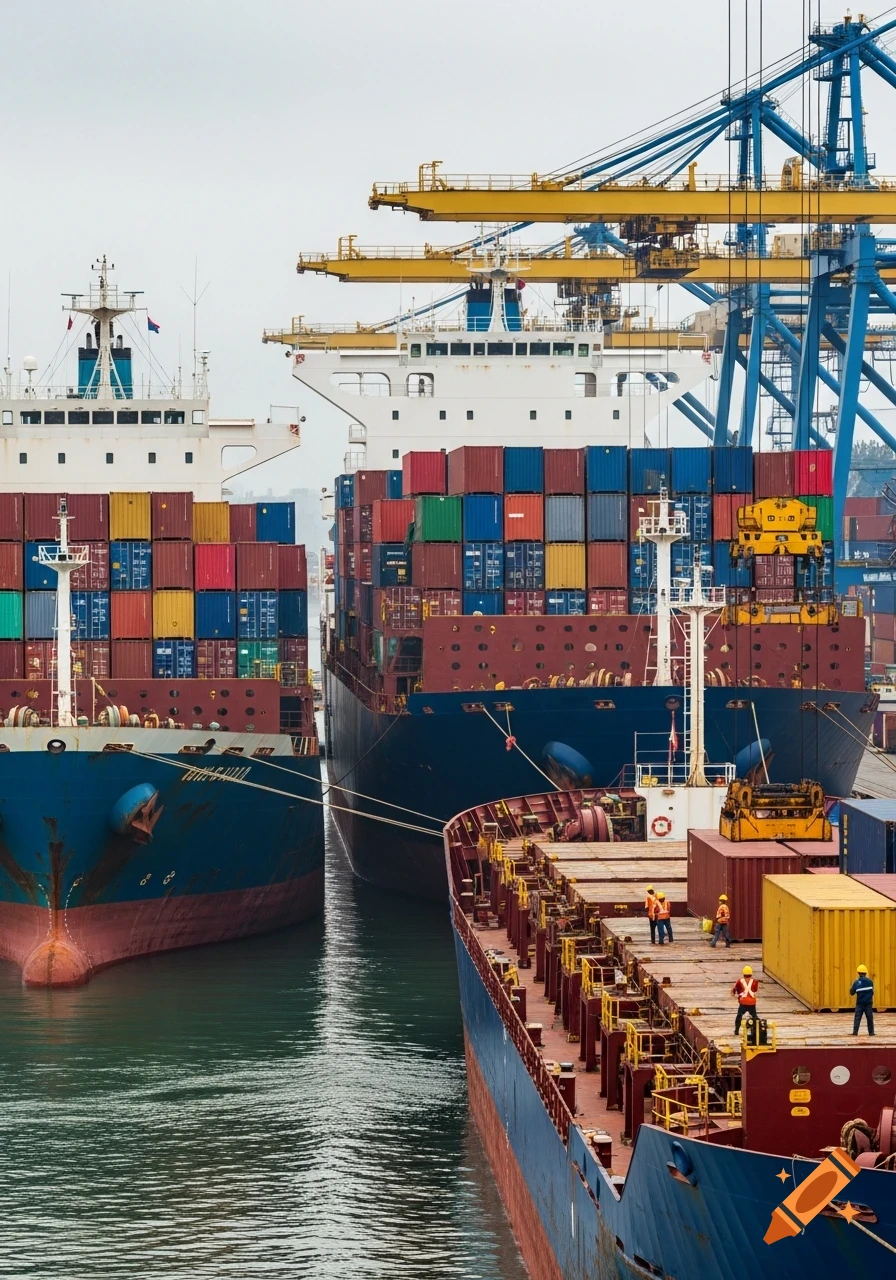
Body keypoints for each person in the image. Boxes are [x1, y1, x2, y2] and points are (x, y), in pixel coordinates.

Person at [732, 965, 759, 1035]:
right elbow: (755, 990)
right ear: (751, 974)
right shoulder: (755, 981)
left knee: (739, 1016)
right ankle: (756, 1030)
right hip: (752, 1003)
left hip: (743, 1003)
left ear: (743, 974)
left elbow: (734, 990)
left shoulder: (739, 981)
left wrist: (736, 994)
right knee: (755, 1017)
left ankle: (736, 1030)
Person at [850, 964, 875, 1036]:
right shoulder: (870, 982)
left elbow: (852, 993)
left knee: (857, 1018)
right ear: (866, 973)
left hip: (860, 1004)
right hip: (868, 1003)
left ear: (858, 973)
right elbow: (872, 992)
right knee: (869, 1018)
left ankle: (855, 1032)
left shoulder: (856, 982)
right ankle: (871, 1032)